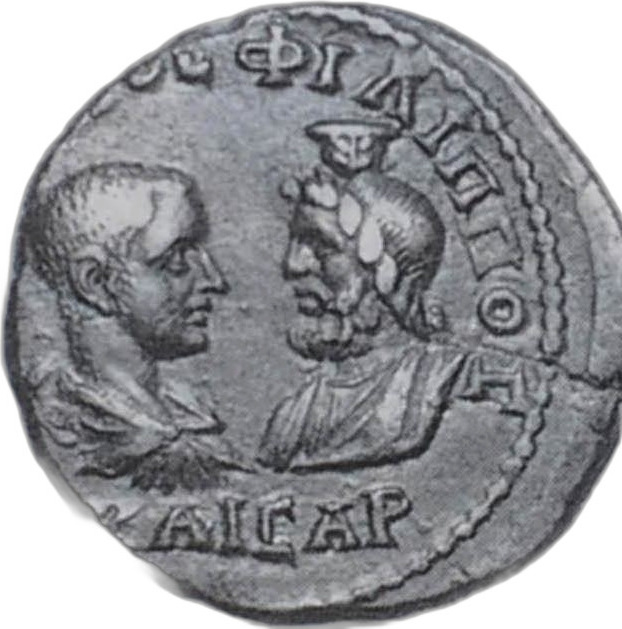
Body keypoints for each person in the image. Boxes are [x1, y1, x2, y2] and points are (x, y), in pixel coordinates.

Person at [28, 162, 249, 493]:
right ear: (95, 282)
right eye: (176, 261)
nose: (214, 280)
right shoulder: (62, 422)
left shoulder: (190, 411)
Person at [258, 169, 466, 472]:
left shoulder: (442, 379)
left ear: (384, 273)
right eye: (296, 243)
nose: (292, 264)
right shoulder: (290, 420)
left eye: (321, 247)